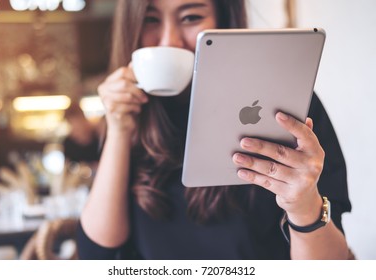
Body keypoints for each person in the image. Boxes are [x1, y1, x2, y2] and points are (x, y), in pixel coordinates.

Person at [77, 0, 351, 260]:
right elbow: (98, 254)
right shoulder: (129, 113)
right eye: (150, 19)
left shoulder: (288, 105)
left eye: (191, 17)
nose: (169, 41)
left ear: (224, 20)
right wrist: (118, 130)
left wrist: (304, 206)